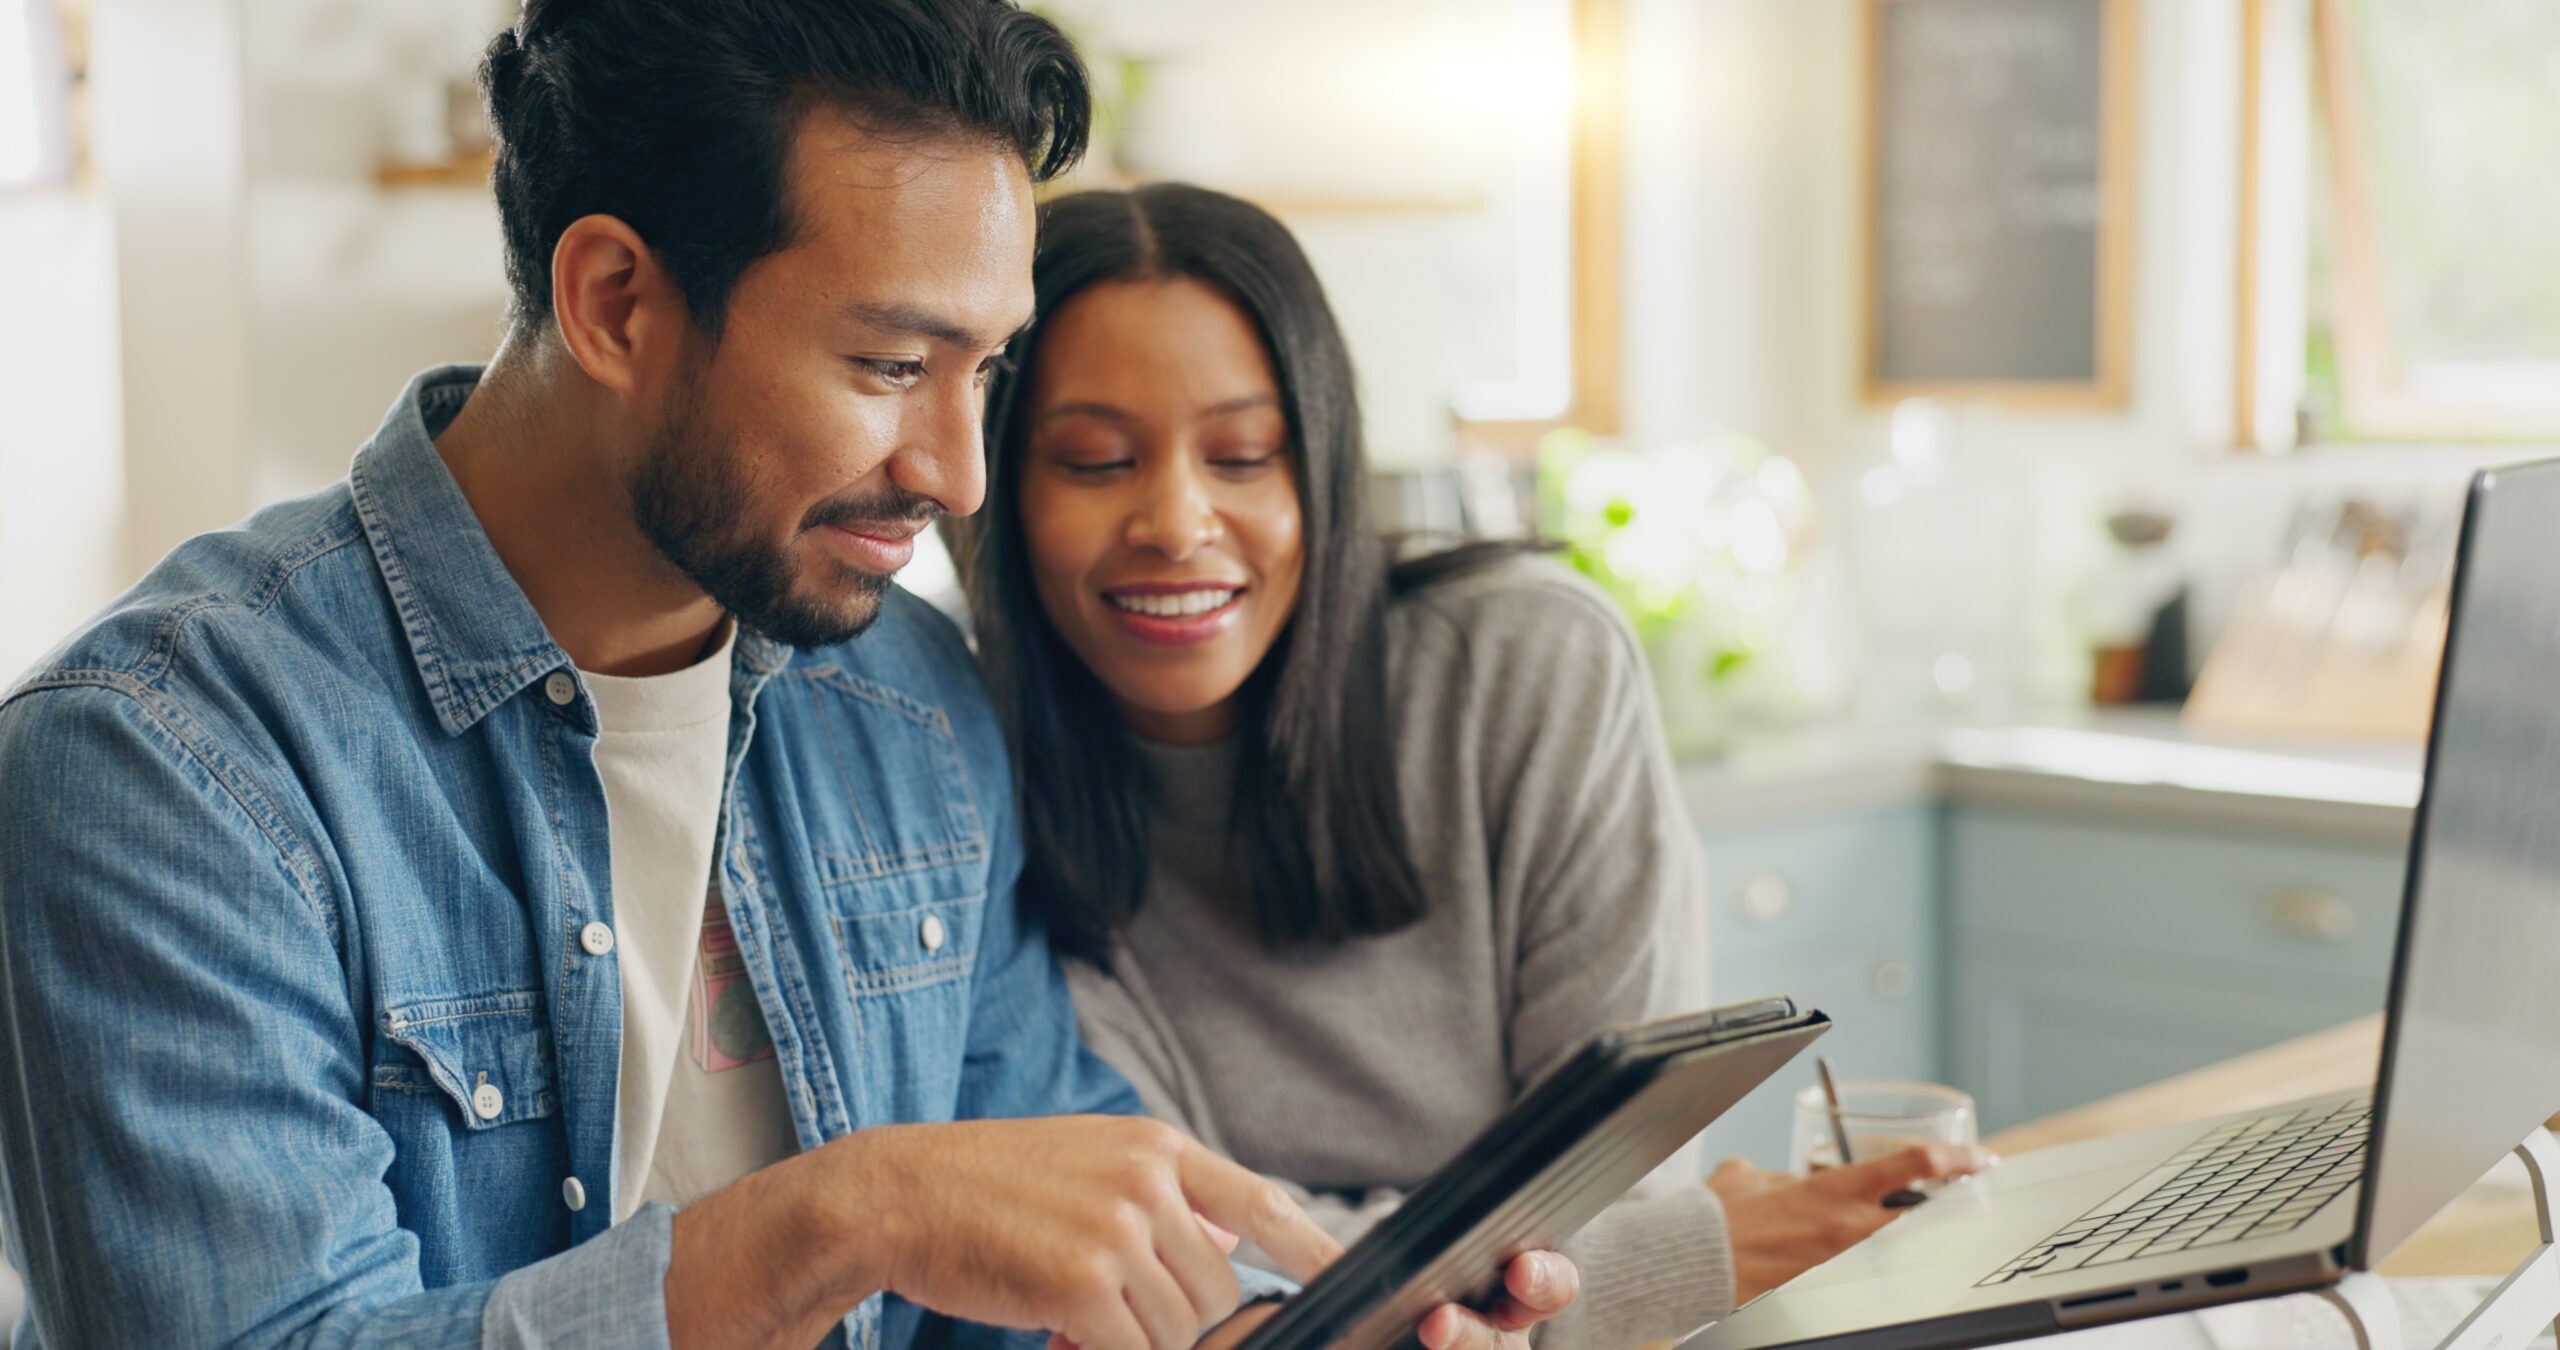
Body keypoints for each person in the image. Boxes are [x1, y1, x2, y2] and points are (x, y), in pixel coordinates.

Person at [0, 9, 1576, 1349]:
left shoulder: (906, 699)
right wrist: (840, 1217)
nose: (959, 472)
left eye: (985, 370)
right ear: (614, 301)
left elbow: (1037, 1244)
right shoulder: (165, 766)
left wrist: (1295, 1318)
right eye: (890, 365)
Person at [958, 184, 1991, 1347]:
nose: (1177, 521)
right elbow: (1177, 1269)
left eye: (1244, 455)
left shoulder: (1529, 666)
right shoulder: (959, 760)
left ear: (1324, 473)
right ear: (997, 485)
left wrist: (1379, 1289)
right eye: (1095, 460)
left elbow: (1617, 1173)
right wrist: (1697, 1253)